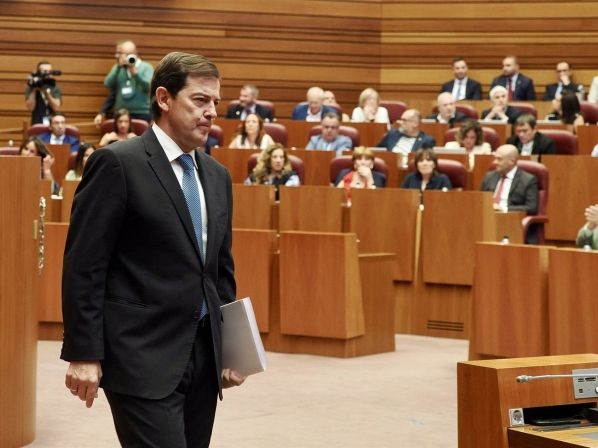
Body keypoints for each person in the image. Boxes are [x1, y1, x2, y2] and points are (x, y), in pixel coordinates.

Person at [61, 52, 244, 448]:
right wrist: (83, 352)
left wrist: (232, 348)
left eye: (216, 102)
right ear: (164, 98)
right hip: (140, 355)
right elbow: (84, 265)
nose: (212, 112)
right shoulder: (117, 164)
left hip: (202, 358)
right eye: (200, 100)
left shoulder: (217, 176)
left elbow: (219, 271)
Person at [93, 40, 154, 125]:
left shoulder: (146, 67)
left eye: (121, 53)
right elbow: (108, 84)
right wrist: (118, 67)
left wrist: (136, 74)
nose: (117, 56)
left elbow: (149, 88)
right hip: (120, 114)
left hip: (141, 113)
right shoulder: (118, 68)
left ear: (133, 54)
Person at [480, 144, 538, 215]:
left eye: (499, 159)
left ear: (512, 161)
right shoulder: (489, 176)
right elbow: (480, 201)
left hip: (510, 217)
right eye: (495, 158)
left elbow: (531, 208)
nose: (495, 162)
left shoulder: (528, 180)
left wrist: (503, 209)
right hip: (487, 216)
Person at [25, 60, 62, 125]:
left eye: (49, 71)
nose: (47, 74)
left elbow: (56, 107)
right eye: (44, 71)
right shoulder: (31, 87)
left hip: (52, 123)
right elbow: (30, 108)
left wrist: (46, 92)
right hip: (37, 122)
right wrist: (34, 89)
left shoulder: (54, 87)